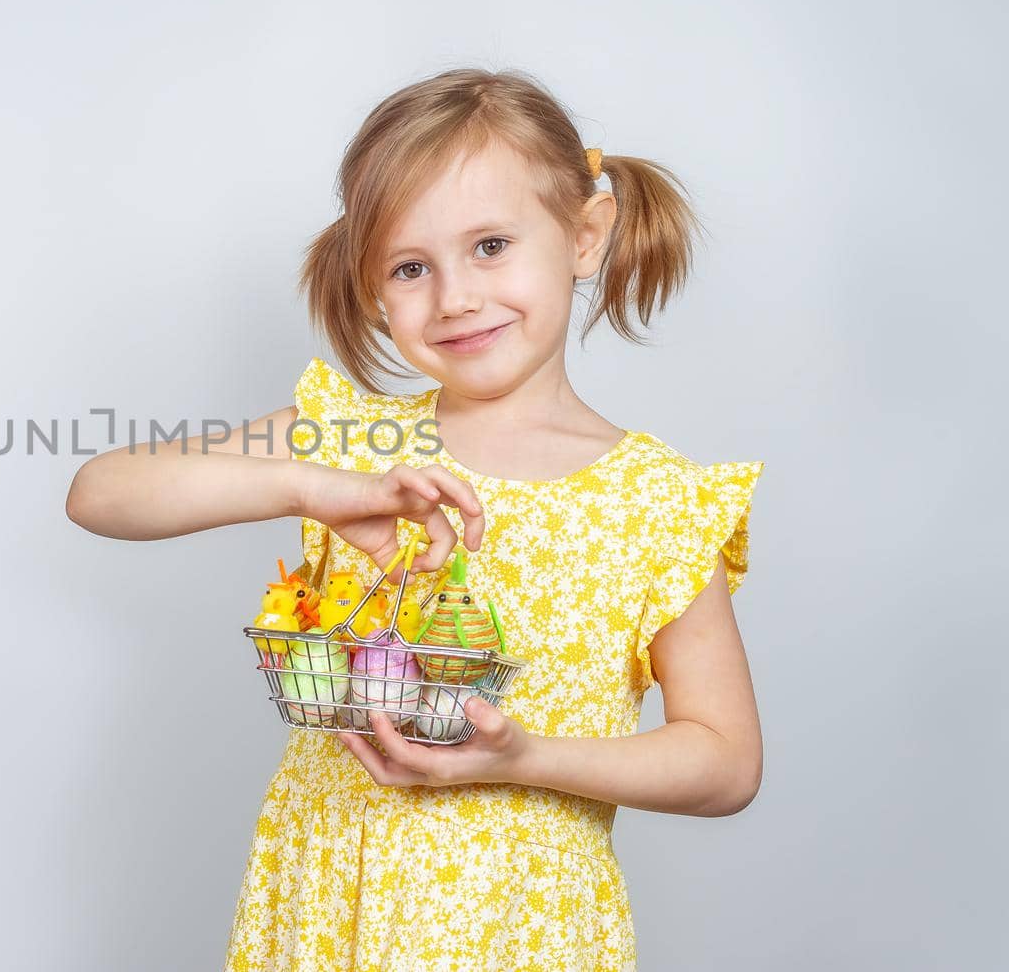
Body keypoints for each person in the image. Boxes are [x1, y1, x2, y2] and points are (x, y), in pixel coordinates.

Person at [65, 67, 765, 971]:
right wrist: (305, 486)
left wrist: (522, 754)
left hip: (521, 931)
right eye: (410, 267)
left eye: (491, 245)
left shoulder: (658, 503)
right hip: (328, 910)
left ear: (584, 235)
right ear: (371, 289)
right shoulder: (348, 443)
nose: (456, 297)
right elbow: (102, 490)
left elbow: (723, 760)